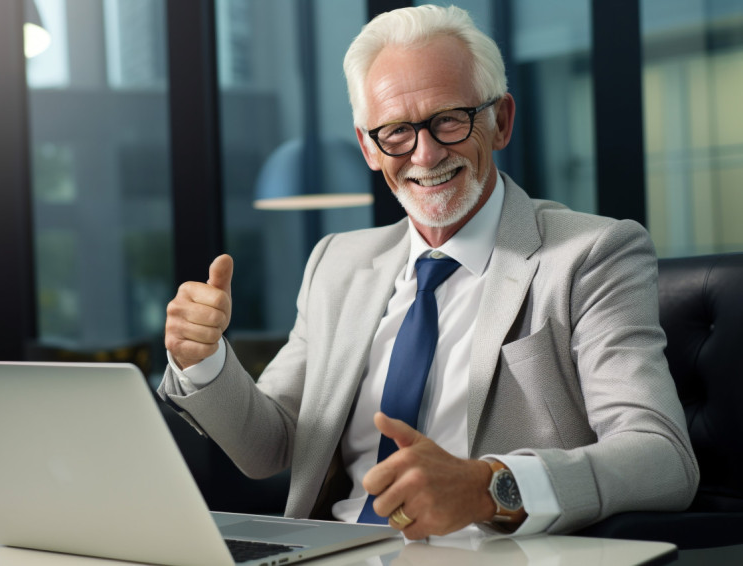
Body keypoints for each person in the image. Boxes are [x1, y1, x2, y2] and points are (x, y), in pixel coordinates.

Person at [159, 4, 698, 540]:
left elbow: (662, 455)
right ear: (369, 147)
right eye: (395, 131)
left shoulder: (592, 253)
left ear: (501, 121)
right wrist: (202, 360)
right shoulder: (336, 263)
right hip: (336, 552)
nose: (425, 153)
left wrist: (491, 486)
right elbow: (267, 446)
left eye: (448, 120)